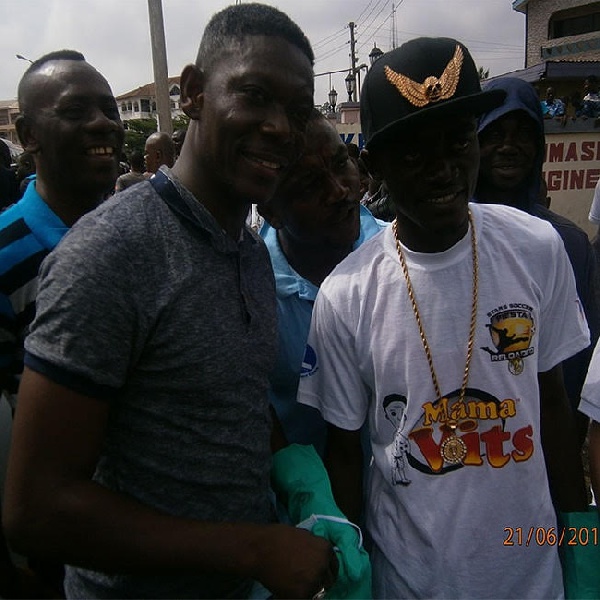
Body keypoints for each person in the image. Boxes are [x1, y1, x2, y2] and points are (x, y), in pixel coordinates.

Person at [3, 5, 343, 599]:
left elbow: (229, 395)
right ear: (192, 93)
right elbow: (37, 507)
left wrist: (298, 479)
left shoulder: (251, 252)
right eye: (255, 95)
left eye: (296, 111)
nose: (281, 129)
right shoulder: (110, 254)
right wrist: (254, 548)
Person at [297, 37, 590, 598]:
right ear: (374, 165)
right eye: (413, 154)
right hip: (411, 581)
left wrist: (581, 545)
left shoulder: (536, 247)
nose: (443, 170)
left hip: (532, 578)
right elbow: (344, 453)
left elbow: (552, 405)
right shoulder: (346, 294)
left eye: (458, 143)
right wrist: (351, 570)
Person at [0, 49, 124, 598]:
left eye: (109, 109)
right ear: (27, 134)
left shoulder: (140, 237)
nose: (102, 123)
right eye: (76, 111)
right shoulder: (5, 256)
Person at [475, 76, 599, 445]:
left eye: (522, 135)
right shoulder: (446, 237)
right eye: (495, 135)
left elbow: (579, 357)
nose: (509, 147)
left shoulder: (568, 243)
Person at [259, 109, 386, 455]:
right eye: (311, 184)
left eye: (341, 163)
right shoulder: (251, 289)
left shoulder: (403, 259)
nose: (339, 190)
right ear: (271, 209)